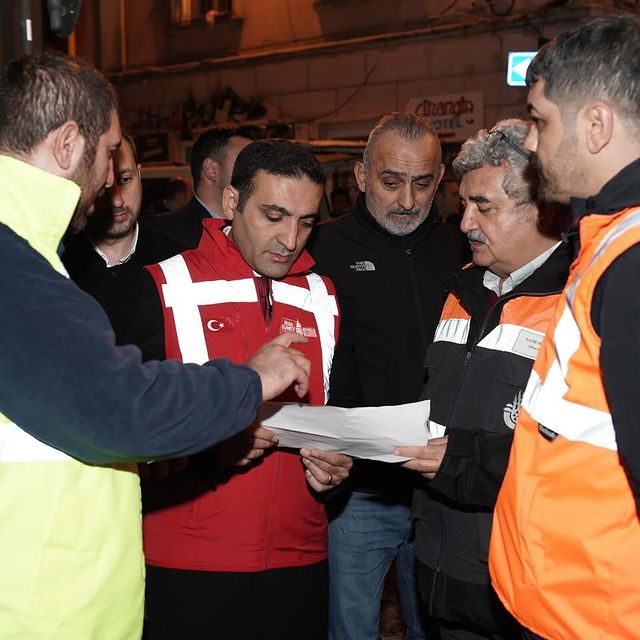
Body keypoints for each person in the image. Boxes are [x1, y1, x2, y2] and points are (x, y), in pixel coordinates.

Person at [0, 52, 310, 639]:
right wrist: (249, 380)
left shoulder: (26, 249)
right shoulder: (12, 259)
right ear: (68, 145)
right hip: (34, 611)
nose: (110, 176)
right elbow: (117, 405)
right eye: (110, 149)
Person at [115, 139, 351, 639]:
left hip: (300, 557)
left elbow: (332, 412)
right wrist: (206, 449)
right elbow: (119, 432)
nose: (291, 239)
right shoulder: (159, 288)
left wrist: (337, 465)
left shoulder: (324, 297)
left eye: (307, 222)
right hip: (187, 559)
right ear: (230, 203)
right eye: (274, 215)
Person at [489, 15, 640, 640]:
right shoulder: (607, 241)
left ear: (596, 125)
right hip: (566, 609)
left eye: (541, 119)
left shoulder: (631, 262)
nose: (529, 141)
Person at [395, 119, 571, 640]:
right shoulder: (463, 289)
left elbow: (566, 457)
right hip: (441, 571)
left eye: (484, 206)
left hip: (525, 585)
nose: (465, 221)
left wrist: (459, 460)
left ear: (540, 206)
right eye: (464, 203)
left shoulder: (579, 304)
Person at [309, 112, 467, 640]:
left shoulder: (461, 248)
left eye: (422, 184)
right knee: (350, 628)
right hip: (360, 489)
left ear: (440, 178)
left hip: (441, 486)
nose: (406, 201)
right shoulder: (323, 251)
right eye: (390, 181)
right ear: (360, 176)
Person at [62, 132, 189, 338]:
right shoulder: (57, 264)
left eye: (125, 179)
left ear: (139, 175)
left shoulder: (180, 260)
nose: (118, 201)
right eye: (104, 185)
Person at [148, 126, 252, 246]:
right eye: (244, 160)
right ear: (211, 169)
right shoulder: (162, 233)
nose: (256, 169)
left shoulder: (253, 229)